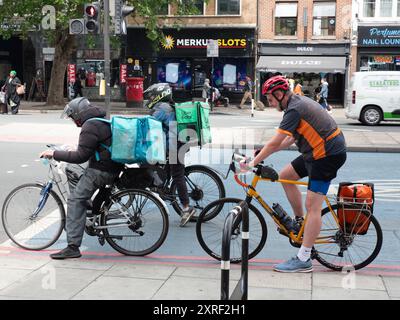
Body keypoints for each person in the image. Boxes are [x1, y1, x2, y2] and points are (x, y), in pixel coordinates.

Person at [241, 75, 347, 273]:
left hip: (326, 155)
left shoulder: (294, 109)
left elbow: (275, 142)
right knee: (286, 175)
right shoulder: (294, 104)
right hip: (315, 153)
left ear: (280, 94)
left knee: (313, 207)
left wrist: (252, 162)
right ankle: (300, 223)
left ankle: (304, 258)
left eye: (271, 100)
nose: (271, 104)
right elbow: (288, 141)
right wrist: (261, 153)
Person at [39, 97, 124, 259]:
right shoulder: (100, 120)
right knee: (72, 169)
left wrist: (55, 153)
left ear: (78, 114)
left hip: (101, 170)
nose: (72, 121)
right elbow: (92, 148)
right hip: (111, 166)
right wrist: (73, 149)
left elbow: (80, 156)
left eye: (72, 117)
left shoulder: (90, 125)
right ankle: (86, 207)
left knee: (74, 201)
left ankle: (72, 247)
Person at [144, 83, 196, 227]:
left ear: (160, 95)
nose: (150, 99)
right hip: (177, 143)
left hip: (175, 145)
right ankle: (163, 186)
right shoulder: (167, 106)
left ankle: (186, 208)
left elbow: (149, 125)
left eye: (152, 96)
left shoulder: (161, 108)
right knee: (162, 164)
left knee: (177, 174)